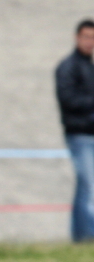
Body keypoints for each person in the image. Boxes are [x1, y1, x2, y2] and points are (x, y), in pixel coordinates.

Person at [56, 19, 94, 243]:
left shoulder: (89, 66)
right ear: (77, 37)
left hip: (89, 134)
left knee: (84, 188)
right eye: (86, 37)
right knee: (89, 187)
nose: (90, 42)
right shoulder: (68, 67)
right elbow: (68, 100)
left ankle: (81, 237)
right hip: (80, 136)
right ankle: (88, 237)